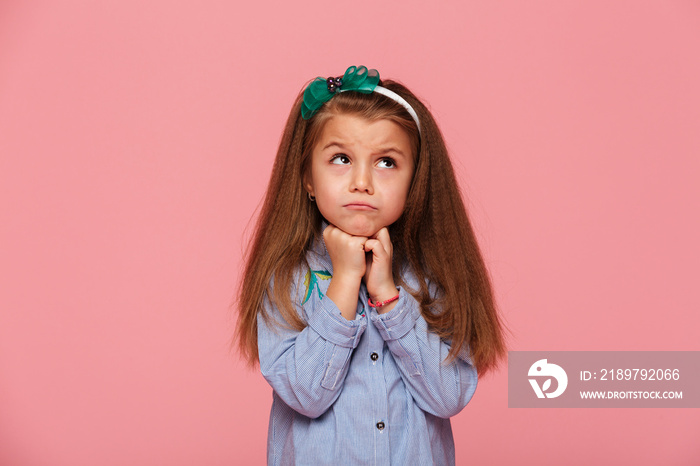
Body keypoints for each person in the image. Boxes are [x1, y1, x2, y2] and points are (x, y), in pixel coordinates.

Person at [235, 65, 506, 465]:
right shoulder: (285, 277)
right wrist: (345, 280)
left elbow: (449, 396)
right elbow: (305, 395)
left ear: (415, 180)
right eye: (341, 158)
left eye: (386, 163)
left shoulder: (430, 274)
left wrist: (389, 298)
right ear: (308, 177)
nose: (362, 181)